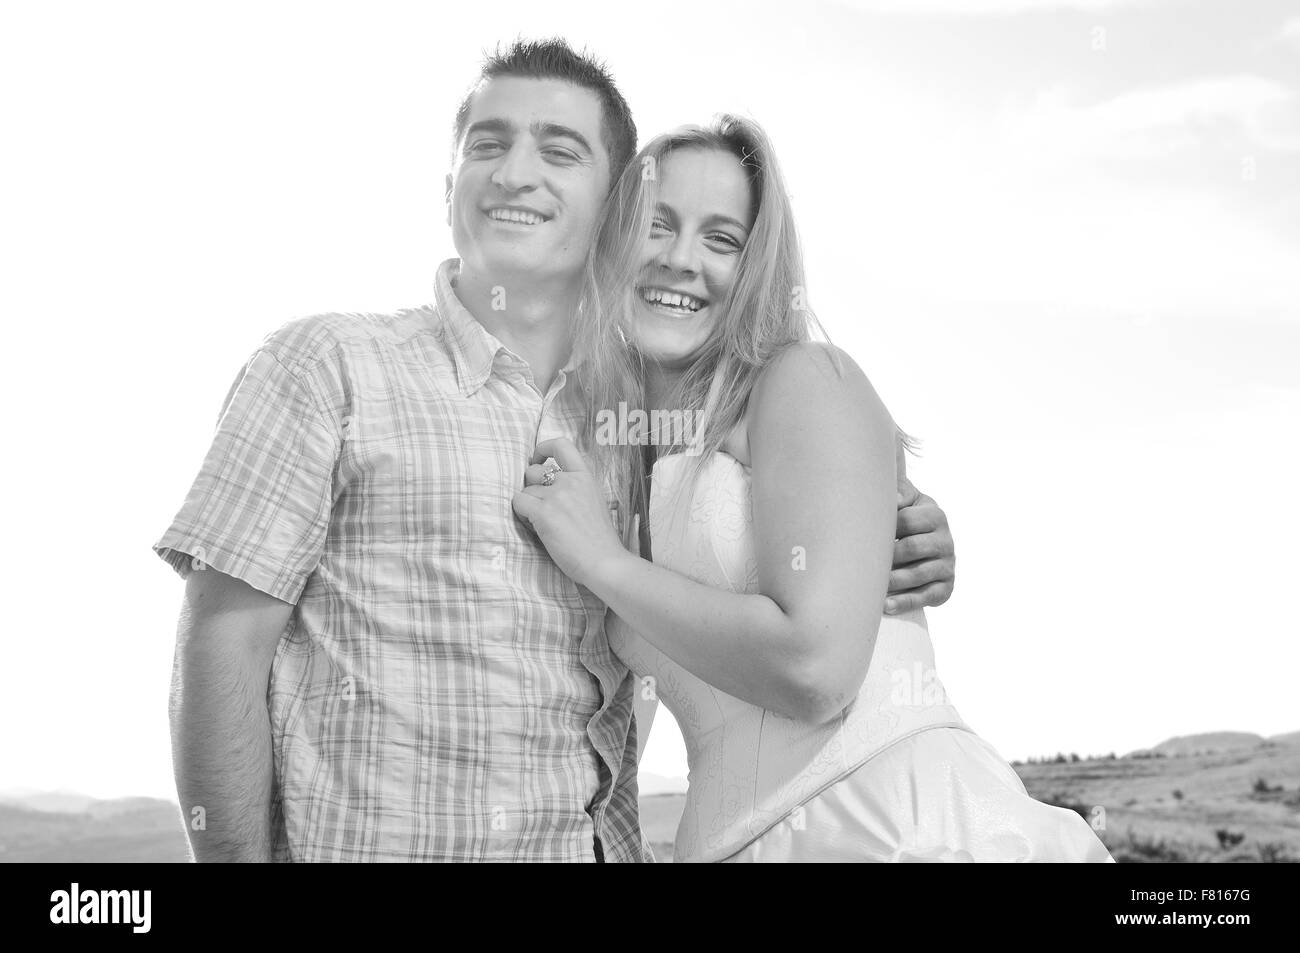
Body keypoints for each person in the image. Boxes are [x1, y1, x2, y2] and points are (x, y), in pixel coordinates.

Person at [155, 39, 956, 862]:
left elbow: (776, 554)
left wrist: (905, 533)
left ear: (606, 206)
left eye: (559, 150)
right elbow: (221, 645)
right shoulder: (327, 366)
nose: (513, 173)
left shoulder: (637, 431)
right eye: (487, 144)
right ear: (448, 187)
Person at [513, 116, 1112, 862]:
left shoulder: (803, 380)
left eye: (721, 238)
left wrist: (603, 563)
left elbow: (816, 670)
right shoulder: (616, 454)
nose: (680, 260)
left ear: (757, 266)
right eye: (656, 226)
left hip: (891, 828)